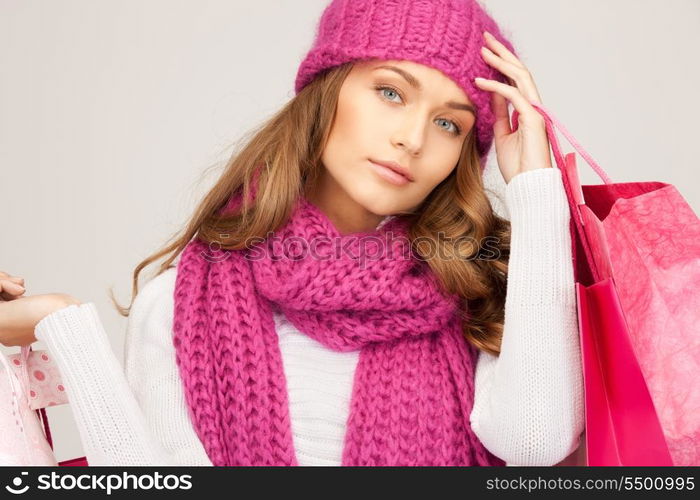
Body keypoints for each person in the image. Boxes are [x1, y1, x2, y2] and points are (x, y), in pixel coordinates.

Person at [0, 0, 584, 466]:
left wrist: (536, 189)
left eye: (448, 124)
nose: (412, 138)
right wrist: (63, 325)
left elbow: (534, 443)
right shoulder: (180, 303)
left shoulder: (483, 293)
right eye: (390, 91)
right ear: (328, 90)